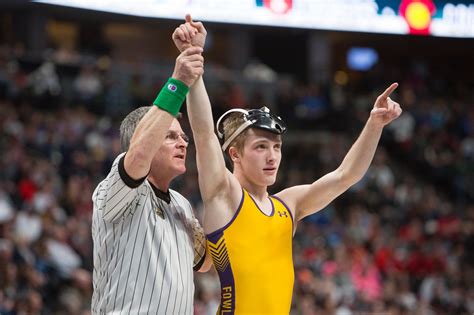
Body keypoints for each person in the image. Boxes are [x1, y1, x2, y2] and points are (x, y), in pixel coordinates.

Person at [173, 15, 403, 314]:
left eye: (277, 147)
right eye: (260, 147)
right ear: (235, 155)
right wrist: (193, 58)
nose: (272, 156)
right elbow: (204, 134)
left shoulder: (288, 206)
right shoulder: (225, 194)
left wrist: (375, 124)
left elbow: (347, 175)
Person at [91, 46, 212, 314]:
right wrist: (178, 82)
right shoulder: (115, 188)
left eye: (184, 138)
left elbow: (204, 263)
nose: (183, 143)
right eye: (170, 136)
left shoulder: (182, 203)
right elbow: (138, 155)